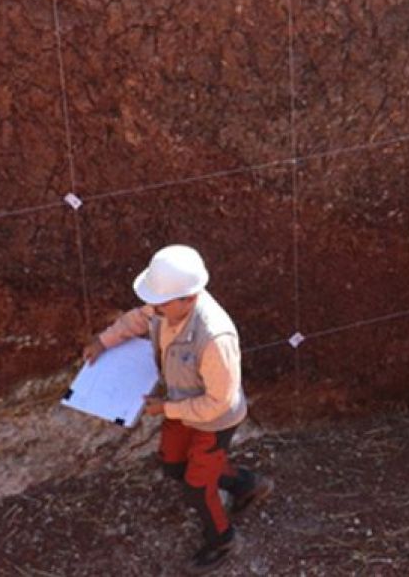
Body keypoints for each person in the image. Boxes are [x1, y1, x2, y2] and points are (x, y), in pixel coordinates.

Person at [83, 245, 273, 573]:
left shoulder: (214, 338)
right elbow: (138, 319)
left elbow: (219, 402)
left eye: (160, 302)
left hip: (215, 420)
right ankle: (246, 484)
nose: (153, 308)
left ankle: (222, 539)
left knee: (197, 488)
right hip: (178, 406)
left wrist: (167, 409)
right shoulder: (164, 308)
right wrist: (104, 341)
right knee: (173, 466)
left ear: (189, 298)